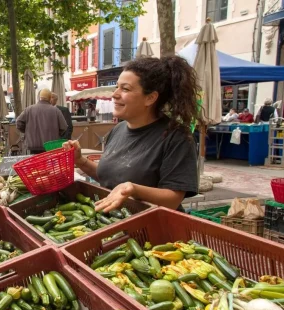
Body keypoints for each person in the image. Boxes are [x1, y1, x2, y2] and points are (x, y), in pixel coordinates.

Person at [63, 56, 198, 211]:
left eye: (125, 89)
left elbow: (173, 199)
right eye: (117, 87)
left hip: (154, 228)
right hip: (115, 222)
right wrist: (80, 161)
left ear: (150, 98)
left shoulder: (176, 137)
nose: (115, 94)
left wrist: (134, 189)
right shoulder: (118, 130)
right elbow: (111, 177)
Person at [16, 88, 67, 154]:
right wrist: (55, 133)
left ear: (40, 97)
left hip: (33, 147)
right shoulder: (56, 111)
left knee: (35, 164)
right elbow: (64, 127)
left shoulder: (29, 109)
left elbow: (18, 123)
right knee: (48, 164)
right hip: (50, 147)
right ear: (49, 98)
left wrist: (27, 131)